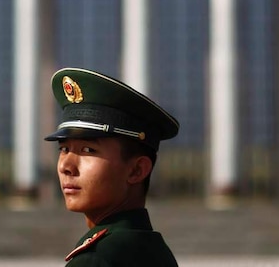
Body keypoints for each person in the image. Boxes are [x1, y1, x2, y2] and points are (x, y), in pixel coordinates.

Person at [45, 67, 180, 266]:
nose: (66, 166)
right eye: (64, 149)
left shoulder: (95, 259)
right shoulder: (154, 250)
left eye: (88, 150)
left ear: (137, 170)